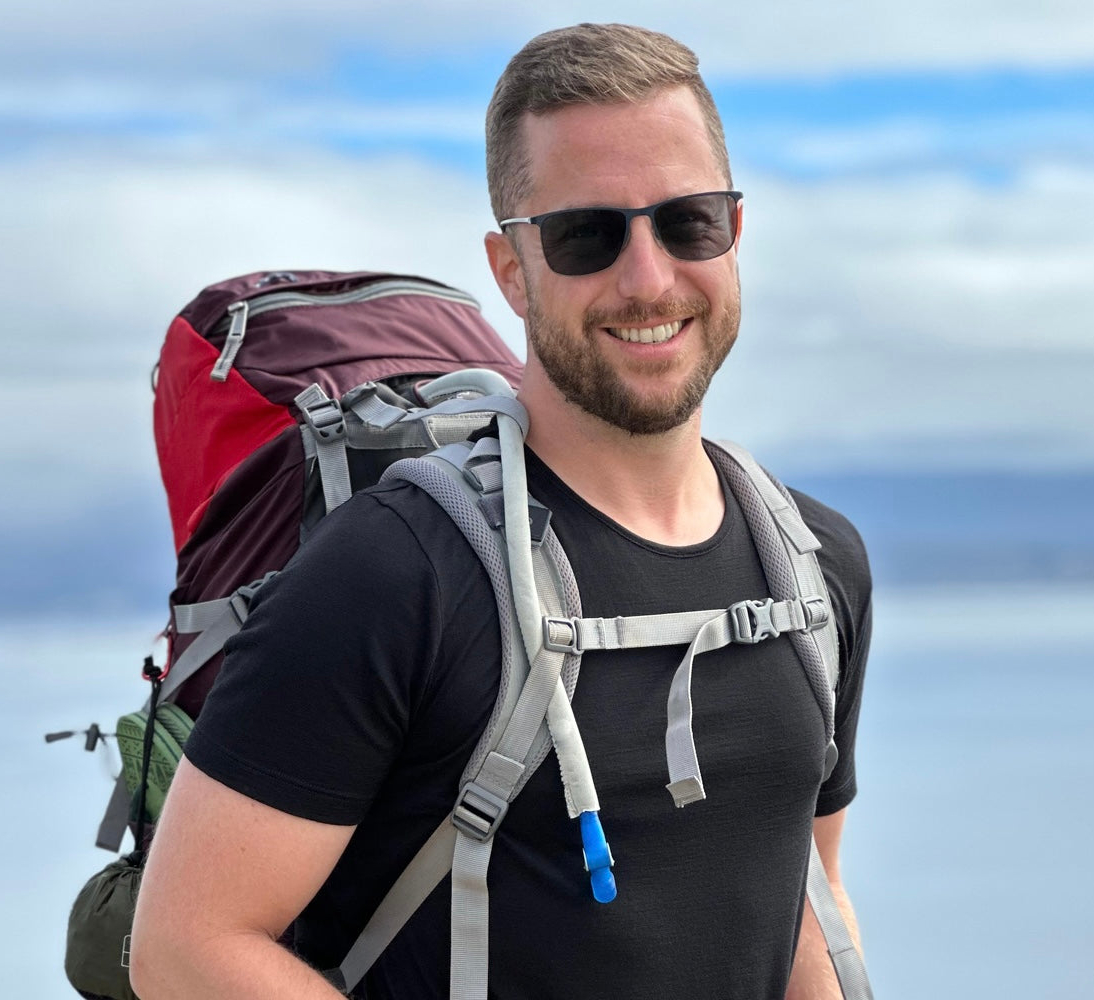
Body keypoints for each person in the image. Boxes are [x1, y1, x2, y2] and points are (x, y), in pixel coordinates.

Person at [131, 22, 872, 1000]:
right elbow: (187, 947)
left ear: (735, 229)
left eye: (686, 220)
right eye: (585, 235)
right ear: (512, 268)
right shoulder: (395, 574)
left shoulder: (815, 566)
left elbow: (807, 899)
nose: (648, 277)